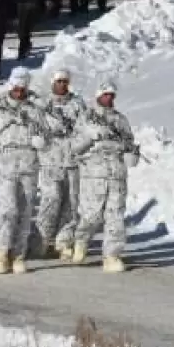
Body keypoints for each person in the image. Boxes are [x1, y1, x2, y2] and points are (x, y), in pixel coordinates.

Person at [0, 67, 52, 274]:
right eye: (17, 88)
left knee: (25, 211)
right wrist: (0, 124)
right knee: (7, 210)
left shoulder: (34, 110)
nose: (20, 92)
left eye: (23, 89)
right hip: (5, 166)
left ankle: (18, 254)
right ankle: (1, 252)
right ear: (10, 86)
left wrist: (42, 142)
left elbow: (47, 137)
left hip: (29, 166)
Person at [70, 82, 137, 271]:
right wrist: (89, 137)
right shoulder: (86, 118)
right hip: (94, 175)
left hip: (116, 175)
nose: (109, 98)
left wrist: (132, 155)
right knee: (92, 216)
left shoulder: (120, 120)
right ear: (98, 96)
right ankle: (81, 240)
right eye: (106, 94)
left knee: (115, 216)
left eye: (112, 95)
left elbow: (129, 143)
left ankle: (112, 256)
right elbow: (74, 147)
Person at [34, 70, 86, 259]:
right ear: (52, 83)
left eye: (65, 81)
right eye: (59, 81)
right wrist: (38, 139)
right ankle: (43, 238)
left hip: (72, 160)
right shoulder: (43, 104)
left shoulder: (77, 104)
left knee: (71, 202)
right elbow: (35, 126)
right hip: (50, 159)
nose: (62, 85)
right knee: (52, 198)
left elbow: (85, 128)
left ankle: (64, 240)